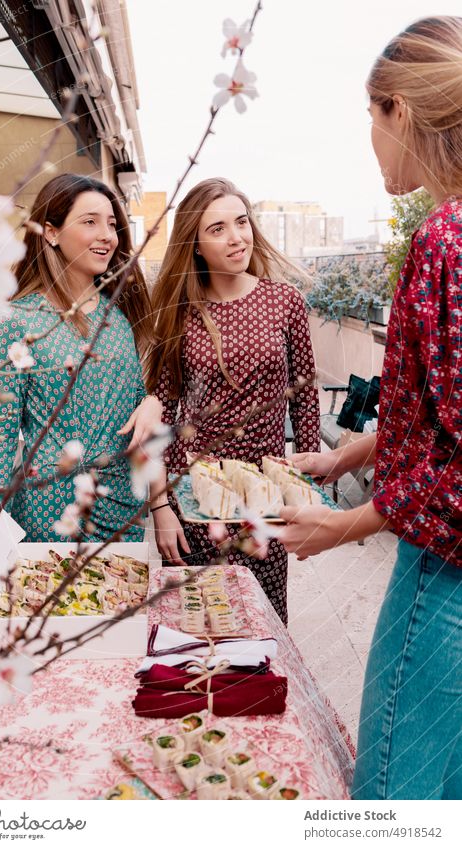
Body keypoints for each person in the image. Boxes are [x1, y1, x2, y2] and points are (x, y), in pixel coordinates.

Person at [278, 17, 462, 799]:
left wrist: (344, 523)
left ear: (400, 111)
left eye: (369, 118)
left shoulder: (445, 240)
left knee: (394, 804)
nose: (371, 140)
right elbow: (442, 407)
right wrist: (346, 455)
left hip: (444, 583)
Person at [147, 178, 320, 623]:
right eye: (218, 228)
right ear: (196, 245)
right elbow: (162, 417)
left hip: (265, 494)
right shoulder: (180, 313)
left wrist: (304, 490)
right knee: (198, 631)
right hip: (197, 498)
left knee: (263, 627)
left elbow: (305, 400)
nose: (236, 236)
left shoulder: (284, 301)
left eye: (241, 222)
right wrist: (161, 507)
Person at [0, 173, 161, 542]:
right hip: (49, 511)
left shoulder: (120, 316)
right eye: (90, 222)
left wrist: (153, 400)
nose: (107, 235)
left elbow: (140, 413)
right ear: (51, 232)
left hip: (122, 507)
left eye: (111, 224)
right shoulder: (17, 322)